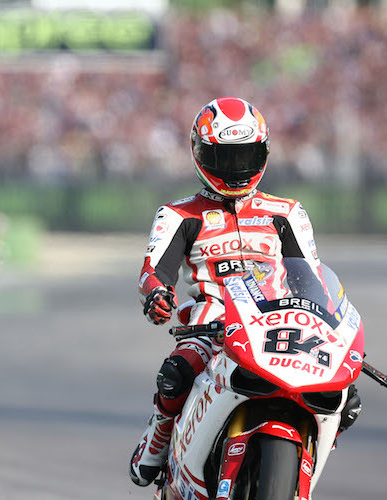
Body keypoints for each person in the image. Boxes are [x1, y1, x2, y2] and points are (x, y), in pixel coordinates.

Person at [128, 97, 362, 487]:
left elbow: (313, 281)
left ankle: (307, 454)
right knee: (177, 372)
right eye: (224, 159)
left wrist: (335, 330)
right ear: (200, 155)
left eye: (246, 157)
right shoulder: (179, 214)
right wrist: (157, 295)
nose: (236, 170)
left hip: (276, 320)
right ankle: (155, 444)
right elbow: (154, 271)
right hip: (211, 322)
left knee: (347, 399)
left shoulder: (287, 213)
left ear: (264, 153)